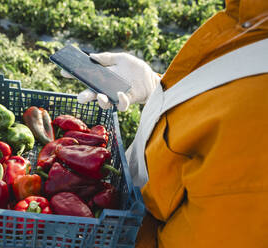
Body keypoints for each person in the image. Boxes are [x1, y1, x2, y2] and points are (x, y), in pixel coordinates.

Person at [60, 0, 268, 247]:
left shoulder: (257, 129)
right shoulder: (251, 20)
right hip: (133, 206)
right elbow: (221, 102)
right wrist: (158, 89)